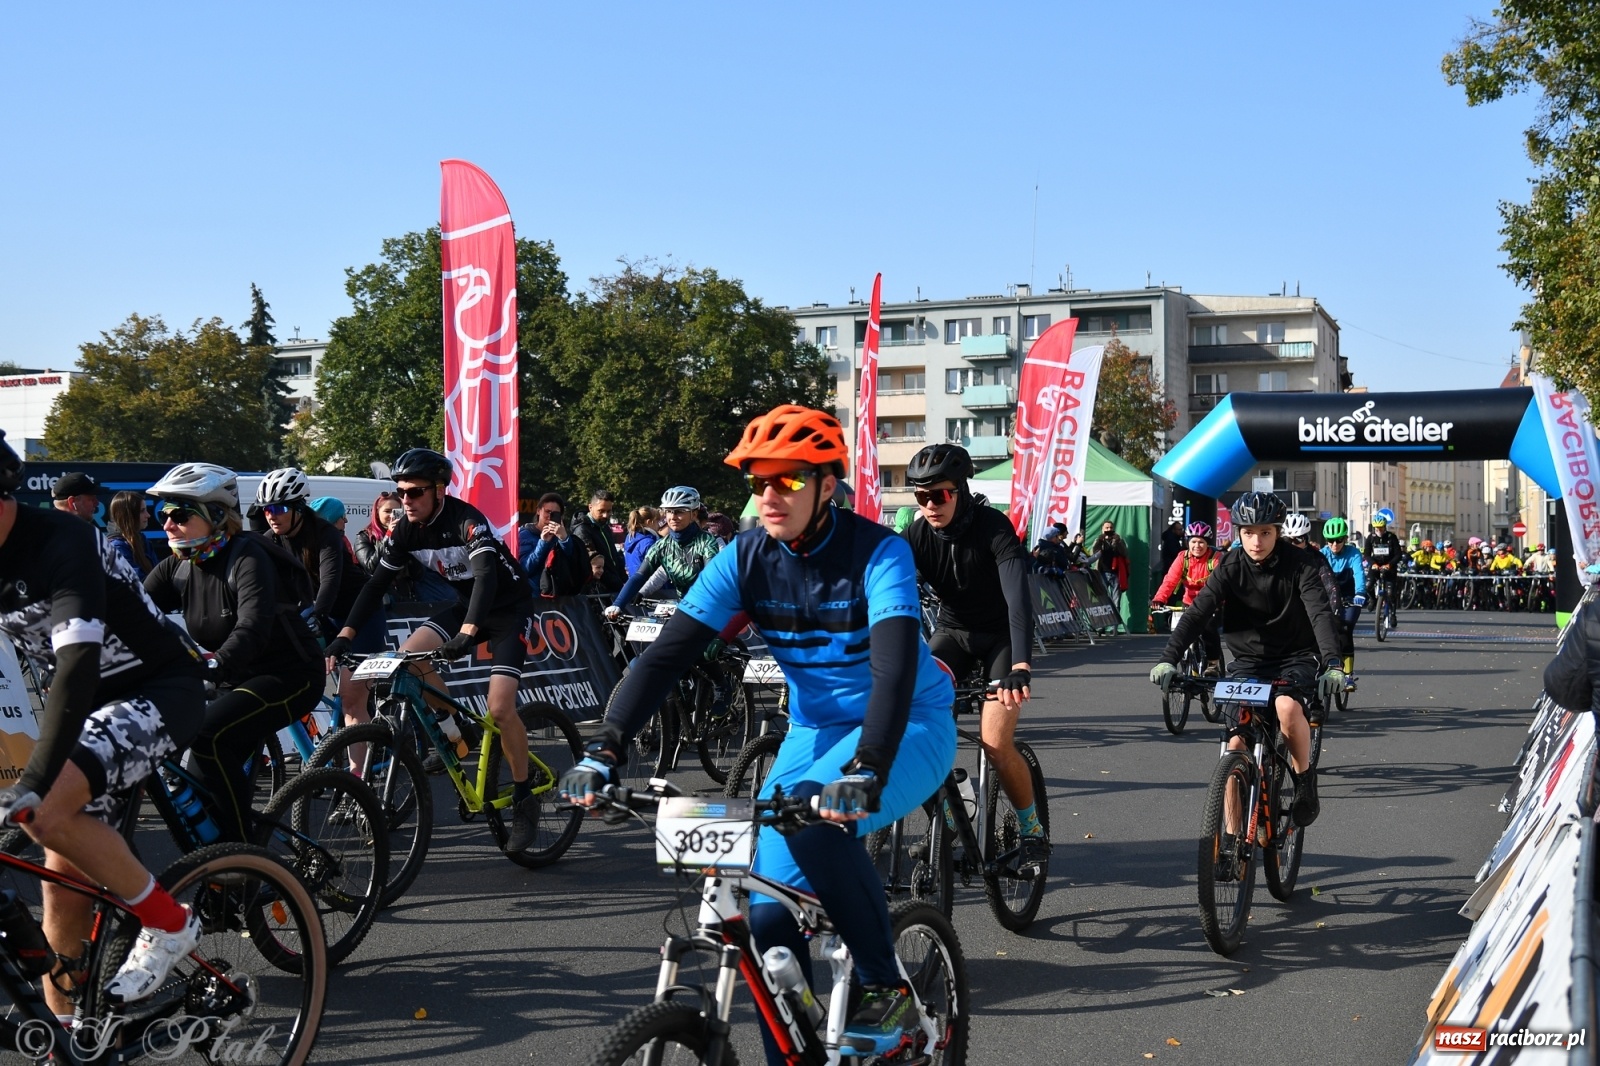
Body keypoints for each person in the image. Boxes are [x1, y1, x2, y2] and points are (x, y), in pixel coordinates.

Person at [562, 405, 956, 1061]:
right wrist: (605, 749)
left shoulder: (878, 553)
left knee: (818, 820)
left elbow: (891, 672)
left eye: (790, 481)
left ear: (827, 484)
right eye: (759, 482)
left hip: (907, 723)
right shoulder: (744, 558)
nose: (771, 496)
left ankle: (884, 986)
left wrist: (865, 770)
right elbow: (665, 657)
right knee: (767, 914)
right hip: (815, 726)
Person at [0, 433, 207, 1010]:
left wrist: (35, 780)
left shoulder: (64, 541)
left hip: (159, 689)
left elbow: (77, 667)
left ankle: (169, 922)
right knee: (62, 886)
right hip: (90, 709)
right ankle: (66, 1039)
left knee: (44, 808)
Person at [323, 448, 545, 851]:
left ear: (439, 491)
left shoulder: (467, 522)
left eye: (415, 493)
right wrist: (347, 634)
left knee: (499, 708)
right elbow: (375, 586)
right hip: (465, 607)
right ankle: (455, 728)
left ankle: (524, 797)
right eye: (401, 492)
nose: (405, 500)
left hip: (507, 610)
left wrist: (467, 633)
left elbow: (486, 580)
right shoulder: (404, 530)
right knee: (406, 660)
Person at [143, 464, 325, 846]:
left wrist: (213, 663)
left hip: (289, 675)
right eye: (164, 514)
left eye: (180, 514)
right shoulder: (178, 565)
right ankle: (218, 866)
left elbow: (253, 626)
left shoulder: (247, 557)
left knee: (209, 736)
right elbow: (130, 609)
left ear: (215, 515)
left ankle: (244, 860)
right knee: (201, 781)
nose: (168, 523)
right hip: (234, 678)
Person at [1150, 492, 1344, 832]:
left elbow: (1320, 614)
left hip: (1295, 656)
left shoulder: (1302, 565)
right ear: (1238, 533)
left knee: (1286, 707)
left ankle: (1303, 780)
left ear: (1278, 532)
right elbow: (1197, 613)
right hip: (1248, 662)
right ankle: (1230, 839)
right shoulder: (1229, 564)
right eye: (1248, 532)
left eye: (1266, 532)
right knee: (1235, 745)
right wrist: (1169, 659)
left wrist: (1332, 663)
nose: (1257, 541)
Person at [903, 443, 1046, 863]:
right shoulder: (915, 535)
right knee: (916, 728)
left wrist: (1021, 665)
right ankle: (949, 815)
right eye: (921, 496)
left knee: (996, 743)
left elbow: (1019, 602)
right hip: (954, 634)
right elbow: (880, 586)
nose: (930, 505)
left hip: (1001, 637)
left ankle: (1031, 828)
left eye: (940, 495)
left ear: (960, 490)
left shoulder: (994, 527)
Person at [254, 468, 377, 735]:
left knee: (351, 700)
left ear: (299, 507)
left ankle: (359, 775)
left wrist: (316, 618)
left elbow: (329, 582)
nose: (271, 516)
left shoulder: (325, 533)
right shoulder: (272, 539)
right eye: (265, 510)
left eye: (279, 508)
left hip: (359, 613)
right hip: (323, 613)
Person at [605, 487, 721, 617]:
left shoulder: (707, 541)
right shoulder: (661, 545)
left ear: (694, 514)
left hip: (708, 608)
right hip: (683, 609)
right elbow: (640, 576)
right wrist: (618, 604)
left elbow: (711, 578)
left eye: (680, 511)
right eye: (669, 511)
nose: (673, 517)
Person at [1152, 521, 1222, 673]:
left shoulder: (1216, 559)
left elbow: (1222, 584)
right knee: (1181, 632)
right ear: (1187, 542)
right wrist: (1159, 599)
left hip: (1212, 603)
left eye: (1201, 542)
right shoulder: (1182, 557)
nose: (1197, 546)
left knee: (1209, 628)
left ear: (1207, 543)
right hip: (1188, 603)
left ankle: (1213, 664)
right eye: (1193, 542)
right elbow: (1170, 580)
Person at [1320, 517, 1366, 689]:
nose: (1334, 544)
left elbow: (1359, 574)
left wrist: (1360, 593)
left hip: (1350, 596)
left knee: (1345, 629)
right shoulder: (1322, 554)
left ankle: (1348, 675)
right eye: (1330, 541)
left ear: (1345, 539)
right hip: (1328, 597)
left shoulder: (1353, 553)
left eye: (1338, 540)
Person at [518, 492, 589, 599]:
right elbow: (524, 569)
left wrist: (564, 539)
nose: (549, 517)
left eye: (555, 514)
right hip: (534, 597)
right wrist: (543, 543)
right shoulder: (524, 534)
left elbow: (572, 563)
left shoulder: (562, 535)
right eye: (547, 512)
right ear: (538, 511)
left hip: (559, 596)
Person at [570, 489, 625, 594]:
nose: (605, 515)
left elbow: (614, 558)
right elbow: (594, 566)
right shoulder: (582, 530)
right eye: (601, 511)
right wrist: (619, 584)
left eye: (609, 511)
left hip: (613, 589)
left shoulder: (604, 527)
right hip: (597, 593)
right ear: (590, 507)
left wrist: (624, 580)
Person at [106, 490, 154, 577]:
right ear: (128, 515)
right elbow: (137, 583)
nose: (148, 515)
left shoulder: (142, 540)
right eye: (142, 511)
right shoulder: (117, 547)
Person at [1092, 519, 1129, 618]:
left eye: (1111, 528)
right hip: (1102, 573)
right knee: (1101, 600)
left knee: (1116, 601)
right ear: (1102, 529)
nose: (1109, 529)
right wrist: (1100, 540)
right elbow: (1094, 553)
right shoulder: (1099, 540)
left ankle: (1114, 627)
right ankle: (1102, 625)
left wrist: (1118, 542)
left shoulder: (1118, 540)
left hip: (1115, 573)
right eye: (1106, 528)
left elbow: (1124, 553)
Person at [623, 506, 660, 577]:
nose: (659, 524)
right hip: (648, 585)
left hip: (635, 584)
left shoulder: (630, 539)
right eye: (657, 521)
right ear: (649, 522)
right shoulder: (649, 543)